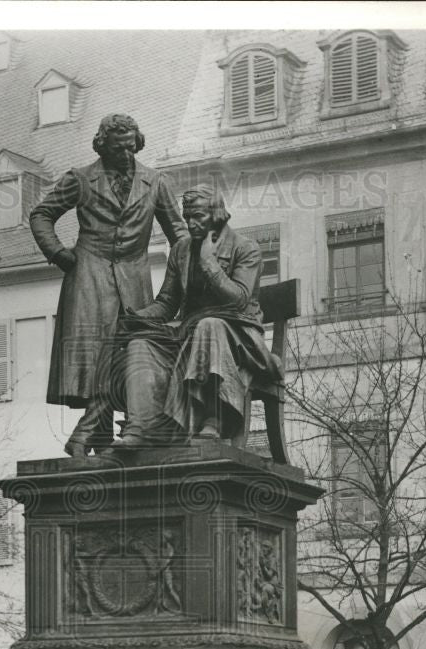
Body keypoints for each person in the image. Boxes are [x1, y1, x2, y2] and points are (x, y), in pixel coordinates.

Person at [29, 113, 187, 458]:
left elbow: (179, 234)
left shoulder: (156, 182)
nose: (126, 155)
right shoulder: (80, 179)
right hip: (89, 275)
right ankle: (97, 434)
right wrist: (59, 254)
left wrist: (190, 271)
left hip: (134, 277)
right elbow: (41, 214)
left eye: (131, 148)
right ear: (103, 145)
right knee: (91, 355)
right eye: (118, 149)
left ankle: (111, 434)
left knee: (133, 350)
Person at [114, 186, 282, 447]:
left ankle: (214, 419)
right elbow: (167, 303)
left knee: (209, 325)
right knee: (141, 343)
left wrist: (208, 263)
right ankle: (140, 428)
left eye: (198, 217)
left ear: (216, 215)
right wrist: (137, 317)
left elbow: (239, 299)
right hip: (188, 335)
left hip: (238, 337)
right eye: (187, 217)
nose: (191, 224)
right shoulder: (181, 250)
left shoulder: (246, 248)